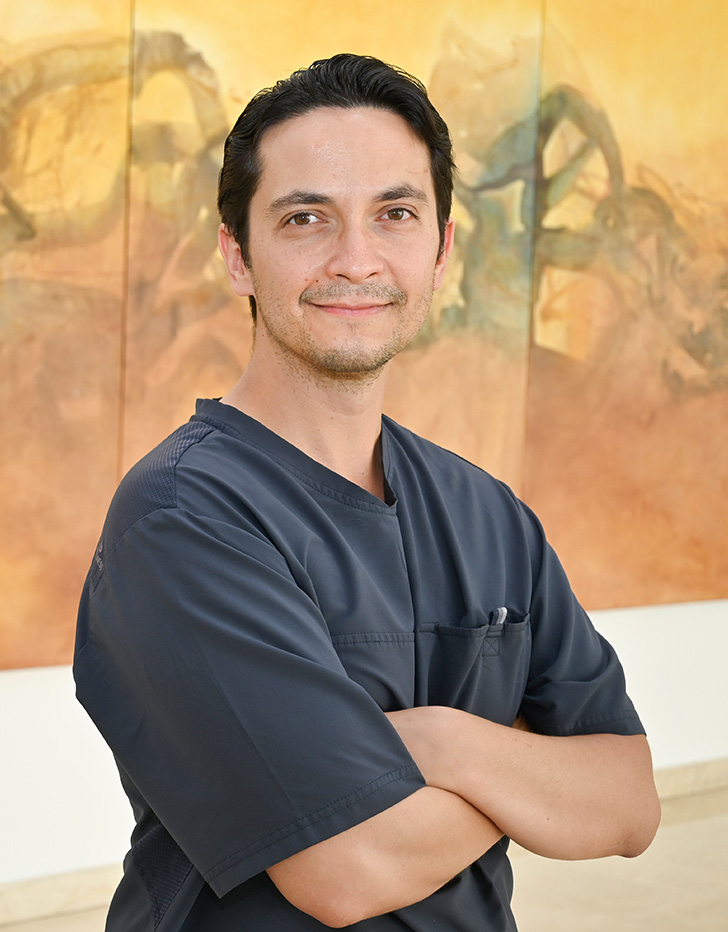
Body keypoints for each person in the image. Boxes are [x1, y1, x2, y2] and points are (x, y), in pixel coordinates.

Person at [74, 53, 660, 931]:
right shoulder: (182, 517)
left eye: (395, 213)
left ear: (441, 249)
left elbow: (629, 802)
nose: (357, 259)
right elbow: (351, 866)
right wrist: (527, 777)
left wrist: (440, 740)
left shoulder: (488, 513)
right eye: (306, 217)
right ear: (237, 256)